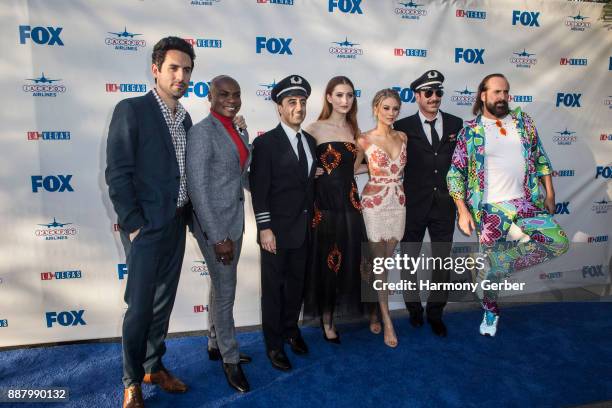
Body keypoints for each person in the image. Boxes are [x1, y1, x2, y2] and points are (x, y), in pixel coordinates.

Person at [105, 36, 195, 408]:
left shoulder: (186, 117)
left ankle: (153, 366)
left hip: (176, 224)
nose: (181, 76)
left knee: (163, 304)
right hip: (145, 228)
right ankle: (131, 381)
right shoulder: (132, 109)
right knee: (139, 307)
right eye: (173, 68)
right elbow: (118, 173)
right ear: (156, 69)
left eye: (187, 70)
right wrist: (134, 224)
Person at [447, 73, 569, 337]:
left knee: (558, 242)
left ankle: (489, 264)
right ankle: (490, 311)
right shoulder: (470, 131)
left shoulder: (524, 123)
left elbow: (540, 158)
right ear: (483, 95)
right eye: (496, 92)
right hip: (490, 211)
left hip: (525, 204)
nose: (502, 97)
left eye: (505, 92)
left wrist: (550, 192)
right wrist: (462, 210)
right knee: (491, 276)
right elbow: (455, 173)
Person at [186, 75, 252, 393]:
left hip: (234, 221)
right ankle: (230, 358)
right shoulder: (201, 133)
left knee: (219, 286)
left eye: (236, 94)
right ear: (210, 96)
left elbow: (240, 169)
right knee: (226, 294)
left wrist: (244, 134)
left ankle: (215, 343)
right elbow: (197, 190)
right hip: (217, 227)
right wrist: (217, 236)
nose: (231, 99)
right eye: (224, 94)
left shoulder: (234, 128)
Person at [249, 74, 317, 370]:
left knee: (295, 287)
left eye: (302, 102)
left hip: (303, 231)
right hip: (274, 232)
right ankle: (274, 344)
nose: (299, 107)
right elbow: (259, 189)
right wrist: (265, 228)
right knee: (274, 291)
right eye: (292, 102)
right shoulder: (265, 144)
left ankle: (291, 331)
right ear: (279, 107)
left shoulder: (311, 142)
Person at [393, 70, 463, 337]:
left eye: (438, 93)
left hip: (445, 206)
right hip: (412, 205)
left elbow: (465, 164)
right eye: (429, 93)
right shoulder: (403, 128)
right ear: (417, 96)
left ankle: (436, 313)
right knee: (409, 260)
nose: (435, 98)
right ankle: (414, 311)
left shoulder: (457, 124)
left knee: (442, 261)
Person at [303, 76, 367, 343]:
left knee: (351, 262)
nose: (345, 100)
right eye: (339, 95)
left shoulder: (355, 132)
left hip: (350, 205)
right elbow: (300, 163)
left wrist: (383, 171)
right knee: (327, 263)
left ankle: (349, 315)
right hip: (324, 206)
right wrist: (309, 172)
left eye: (350, 95)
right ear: (329, 97)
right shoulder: (314, 129)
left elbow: (352, 170)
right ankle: (327, 321)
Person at [357, 88, 407, 348]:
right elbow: (354, 169)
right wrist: (373, 168)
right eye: (386, 108)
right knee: (379, 265)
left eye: (395, 108)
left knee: (383, 264)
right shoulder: (364, 139)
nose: (390, 113)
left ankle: (375, 312)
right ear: (376, 109)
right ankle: (387, 321)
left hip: (397, 203)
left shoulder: (403, 136)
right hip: (374, 203)